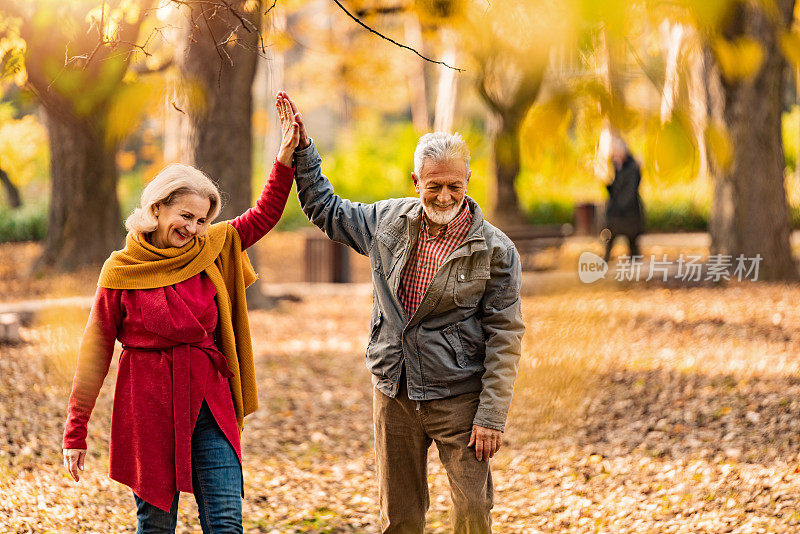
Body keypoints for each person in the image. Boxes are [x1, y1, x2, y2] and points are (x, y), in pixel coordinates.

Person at [276, 92, 524, 533]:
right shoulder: (387, 221)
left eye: (455, 186)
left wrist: (490, 416)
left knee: (472, 512)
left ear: (468, 180)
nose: (444, 196)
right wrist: (305, 151)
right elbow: (326, 209)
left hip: (459, 396)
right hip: (395, 391)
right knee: (400, 518)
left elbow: (505, 336)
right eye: (434, 186)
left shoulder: (496, 249)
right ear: (416, 181)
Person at [61, 98, 303, 532]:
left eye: (202, 219)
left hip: (210, 400)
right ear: (156, 208)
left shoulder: (212, 246)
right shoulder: (120, 271)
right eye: (185, 216)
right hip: (147, 404)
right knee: (154, 525)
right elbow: (94, 352)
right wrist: (75, 431)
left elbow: (263, 216)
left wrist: (284, 161)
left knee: (226, 521)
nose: (193, 228)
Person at [602, 135, 644, 262]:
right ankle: (606, 258)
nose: (615, 154)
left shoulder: (633, 167)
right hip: (616, 213)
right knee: (610, 238)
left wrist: (618, 206)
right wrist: (607, 182)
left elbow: (630, 191)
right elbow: (613, 190)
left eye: (616, 151)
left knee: (632, 242)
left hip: (629, 212)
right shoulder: (615, 166)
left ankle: (635, 263)